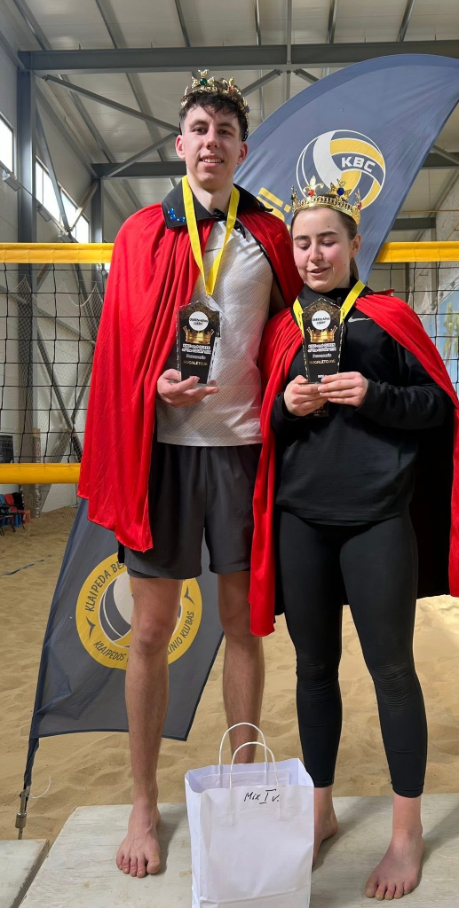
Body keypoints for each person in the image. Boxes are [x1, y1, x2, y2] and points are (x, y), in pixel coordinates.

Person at [78, 72, 301, 879]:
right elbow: (117, 350)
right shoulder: (141, 233)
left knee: (244, 625)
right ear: (181, 145)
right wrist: (152, 387)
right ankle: (143, 800)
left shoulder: (269, 234)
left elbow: (292, 335)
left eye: (225, 131)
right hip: (163, 455)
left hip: (242, 452)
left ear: (242, 148)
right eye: (199, 129)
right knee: (148, 630)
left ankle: (242, 786)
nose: (211, 142)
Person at [249, 180, 459, 899]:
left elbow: (438, 407)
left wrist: (374, 395)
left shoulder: (389, 317)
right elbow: (264, 428)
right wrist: (286, 407)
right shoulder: (281, 329)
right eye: (302, 243)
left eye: (328, 240)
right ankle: (320, 810)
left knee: (392, 671)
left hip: (379, 518)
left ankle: (406, 832)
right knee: (313, 672)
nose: (314, 254)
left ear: (355, 245)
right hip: (302, 520)